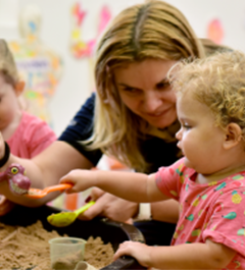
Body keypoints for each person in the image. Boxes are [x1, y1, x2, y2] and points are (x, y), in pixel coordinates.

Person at [0, 1, 231, 246]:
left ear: (191, 65)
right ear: (110, 85)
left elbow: (234, 203)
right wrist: (4, 158)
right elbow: (45, 180)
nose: (151, 105)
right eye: (131, 90)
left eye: (164, 85)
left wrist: (142, 203)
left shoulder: (230, 85)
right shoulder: (109, 103)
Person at [60, 50, 245, 269]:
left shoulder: (238, 194)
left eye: (187, 126)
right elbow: (147, 186)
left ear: (229, 135)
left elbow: (215, 256)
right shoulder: (189, 170)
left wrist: (151, 254)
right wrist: (96, 178)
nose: (177, 134)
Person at [0, 39, 57, 214]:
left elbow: (49, 186)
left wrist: (14, 198)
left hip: (29, 223)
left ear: (18, 88)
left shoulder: (37, 133)